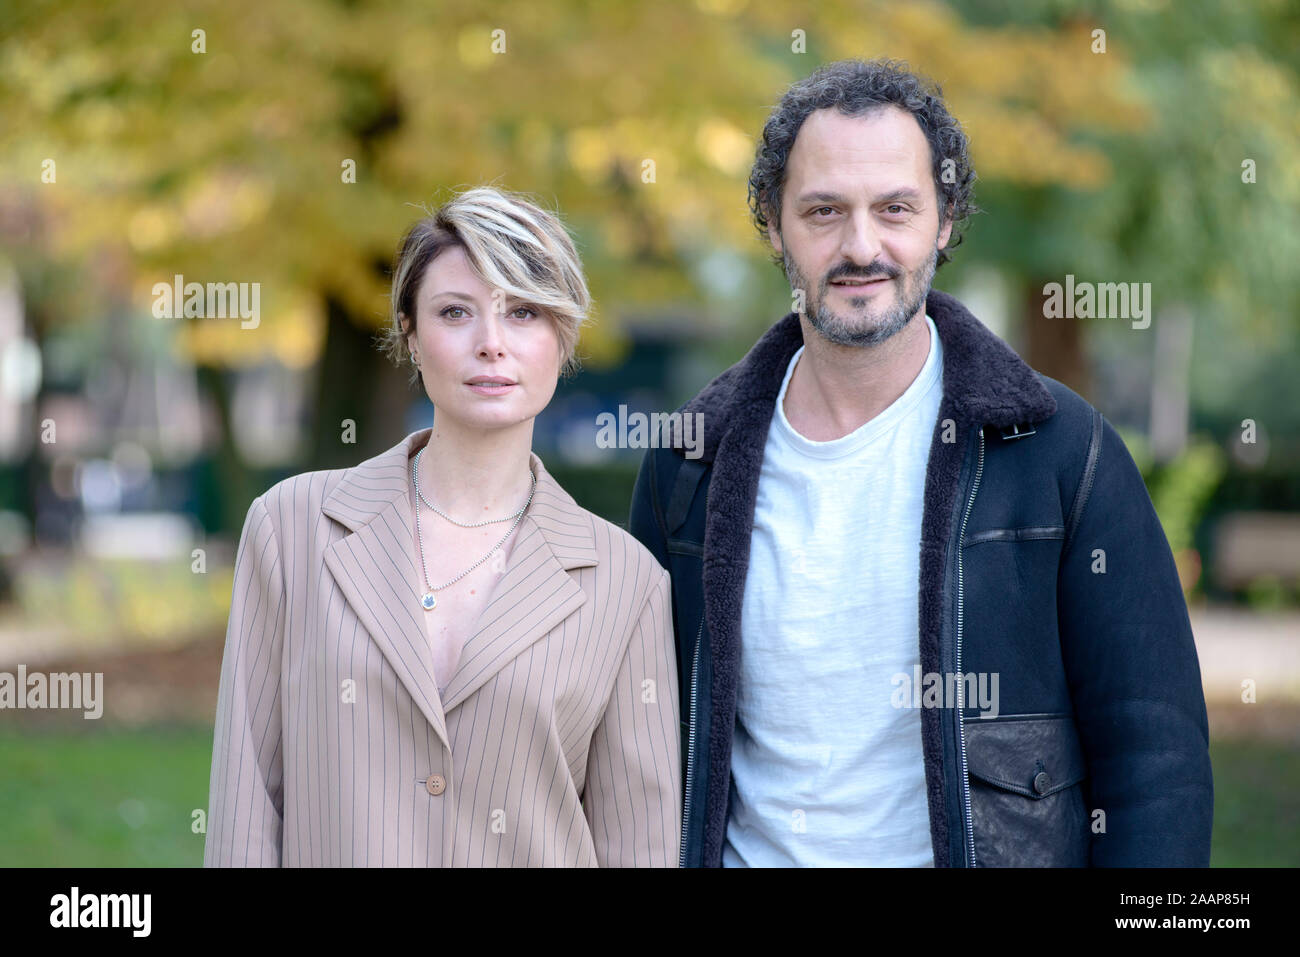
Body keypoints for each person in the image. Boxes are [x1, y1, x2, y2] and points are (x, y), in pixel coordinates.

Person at [629, 58, 1212, 867]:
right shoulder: (688, 462)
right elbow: (639, 744)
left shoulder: (1060, 449)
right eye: (824, 210)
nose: (861, 246)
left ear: (944, 220)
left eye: (895, 209)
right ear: (773, 224)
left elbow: (1156, 759)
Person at [206, 186, 680, 867]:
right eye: (456, 312)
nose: (491, 344)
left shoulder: (629, 582)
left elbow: (642, 844)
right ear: (409, 334)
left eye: (523, 312)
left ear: (563, 336)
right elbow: (243, 820)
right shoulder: (290, 528)